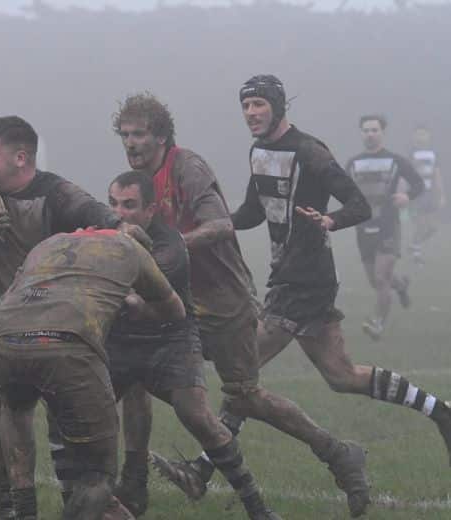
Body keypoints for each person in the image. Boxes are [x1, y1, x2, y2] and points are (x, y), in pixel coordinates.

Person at [180, 75, 451, 509]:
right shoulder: (259, 151)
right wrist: (209, 229)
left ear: (278, 106)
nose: (251, 113)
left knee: (241, 375)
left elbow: (359, 204)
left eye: (258, 105)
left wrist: (330, 221)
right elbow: (253, 211)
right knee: (342, 376)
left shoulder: (310, 151)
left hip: (305, 280)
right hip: (290, 276)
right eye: (246, 105)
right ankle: (440, 410)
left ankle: (203, 467)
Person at [110, 92, 371, 518]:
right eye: (125, 135)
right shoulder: (141, 182)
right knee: (133, 373)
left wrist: (169, 248)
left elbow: (218, 225)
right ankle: (133, 482)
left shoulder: (186, 168)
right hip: (180, 299)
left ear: (160, 135)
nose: (131, 143)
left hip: (224, 301)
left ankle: (339, 453)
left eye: (139, 134)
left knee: (245, 396)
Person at [0, 116, 131, 519]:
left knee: (62, 423)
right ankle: (9, 513)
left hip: (44, 325)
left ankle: (79, 502)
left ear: (21, 157)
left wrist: (123, 232)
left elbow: (101, 216)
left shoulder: (55, 193)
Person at [0, 227, 186, 520]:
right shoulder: (132, 250)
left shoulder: (50, 241)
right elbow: (175, 310)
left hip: (4, 340)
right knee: (99, 475)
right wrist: (133, 304)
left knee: (16, 409)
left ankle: (24, 512)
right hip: (66, 346)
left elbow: (12, 293)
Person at [345, 115, 424, 340]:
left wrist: (406, 196)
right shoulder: (352, 163)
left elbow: (418, 184)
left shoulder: (396, 161)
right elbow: (343, 190)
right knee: (376, 281)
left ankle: (377, 324)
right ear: (361, 133)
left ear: (382, 132)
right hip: (363, 227)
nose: (370, 134)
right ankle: (401, 286)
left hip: (388, 226)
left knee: (381, 277)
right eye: (366, 130)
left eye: (374, 130)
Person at [408, 125, 446, 267]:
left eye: (424, 134)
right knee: (421, 225)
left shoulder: (433, 154)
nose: (421, 137)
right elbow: (406, 175)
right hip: (417, 195)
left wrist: (441, 195)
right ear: (414, 136)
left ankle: (413, 244)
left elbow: (437, 175)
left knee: (432, 228)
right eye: (418, 134)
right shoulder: (411, 154)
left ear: (429, 136)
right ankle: (417, 256)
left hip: (429, 194)